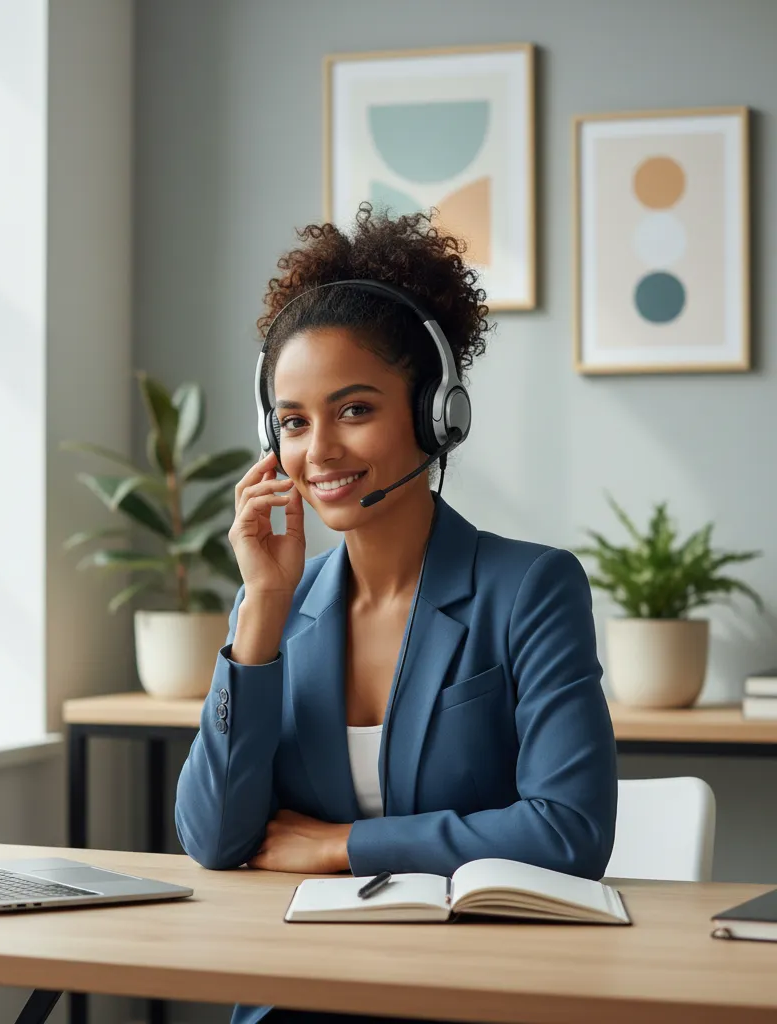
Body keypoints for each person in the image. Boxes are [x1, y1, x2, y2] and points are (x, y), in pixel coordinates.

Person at [174, 205, 617, 1024]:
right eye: (294, 422)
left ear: (434, 415)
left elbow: (568, 832)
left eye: (354, 410)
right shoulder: (274, 607)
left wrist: (341, 845)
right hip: (302, 998)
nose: (319, 453)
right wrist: (264, 608)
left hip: (474, 998)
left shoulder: (530, 588)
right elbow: (213, 837)